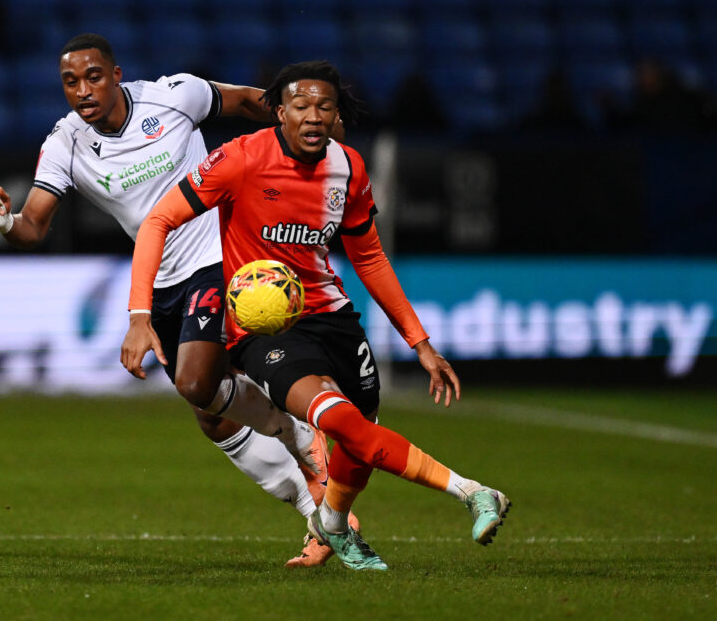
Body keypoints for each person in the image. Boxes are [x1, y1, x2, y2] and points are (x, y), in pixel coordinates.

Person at [123, 60, 511, 571]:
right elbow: (159, 220)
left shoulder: (348, 167)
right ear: (278, 112)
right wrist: (139, 313)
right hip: (262, 328)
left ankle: (331, 524)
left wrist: (420, 344)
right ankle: (473, 492)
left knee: (357, 442)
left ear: (335, 117)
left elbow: (368, 257)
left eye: (324, 107)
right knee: (340, 421)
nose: (312, 116)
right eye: (301, 106)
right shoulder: (239, 159)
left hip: (332, 315)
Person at [0, 34, 340, 567]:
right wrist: (5, 221)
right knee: (211, 414)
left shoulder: (175, 95)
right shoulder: (65, 144)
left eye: (94, 76)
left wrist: (305, 129)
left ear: (117, 73)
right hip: (165, 279)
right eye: (71, 81)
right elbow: (33, 226)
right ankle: (312, 499)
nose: (83, 90)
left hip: (223, 256)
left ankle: (309, 450)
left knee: (197, 381)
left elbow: (245, 100)